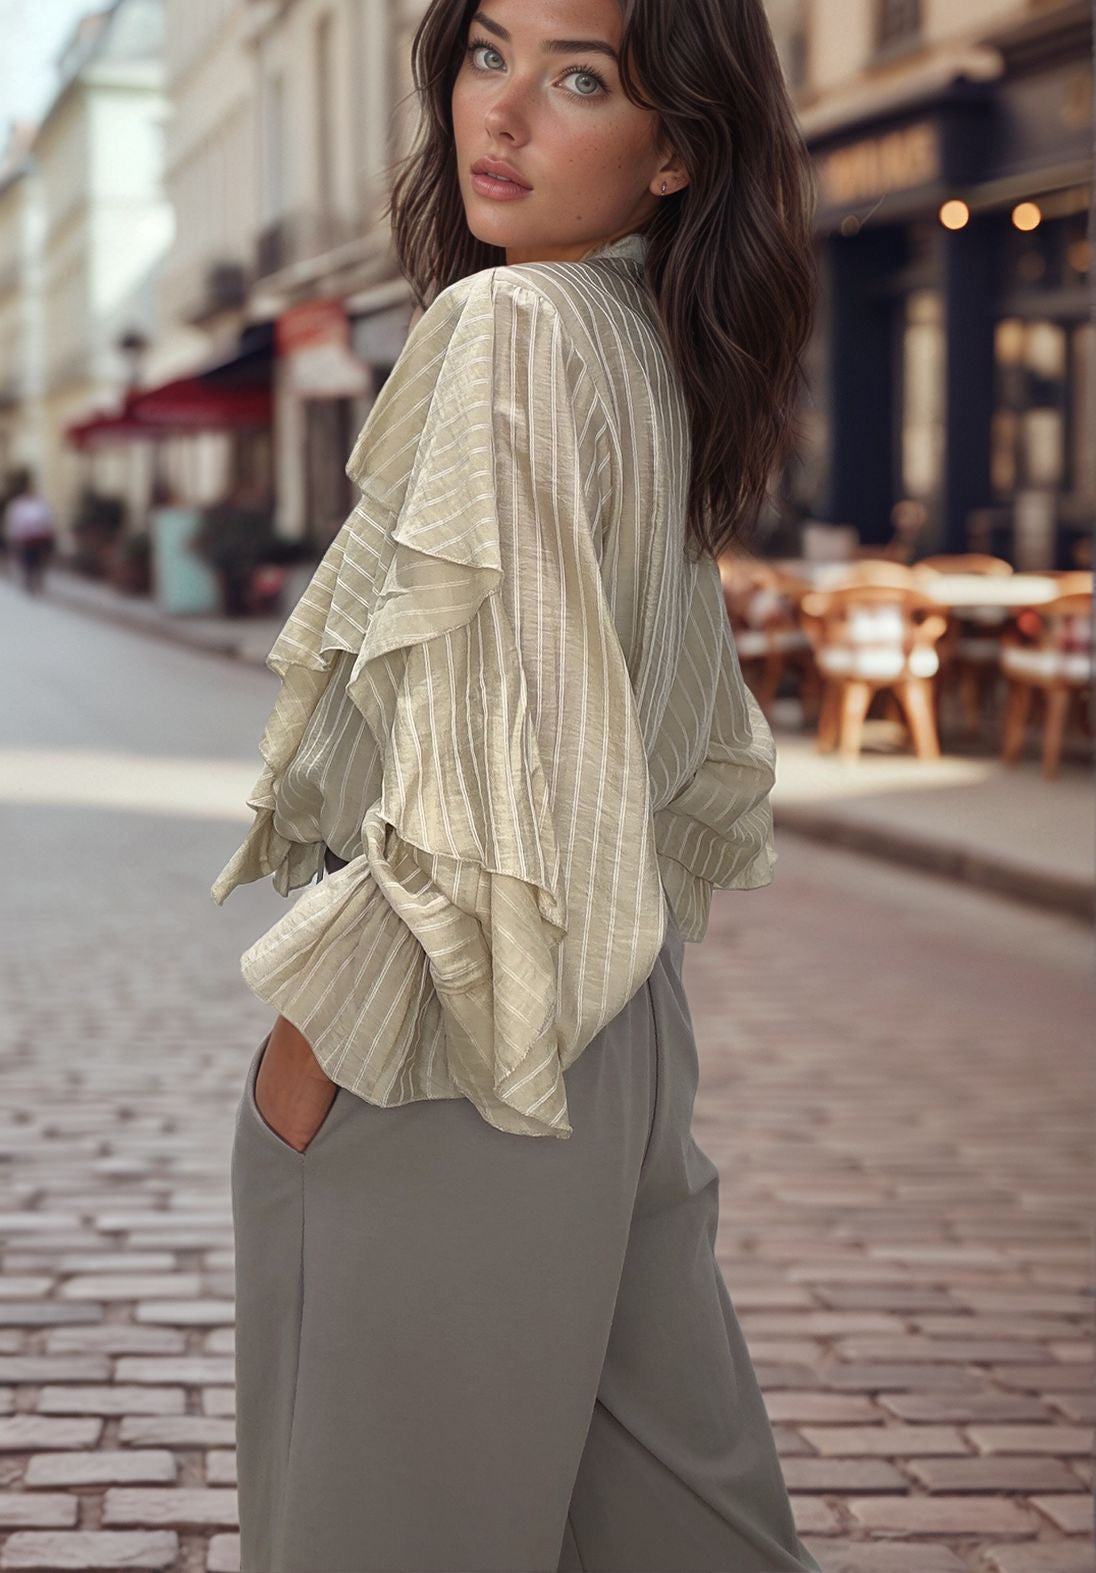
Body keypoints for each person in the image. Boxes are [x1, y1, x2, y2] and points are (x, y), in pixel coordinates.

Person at [212, 0, 820, 1568]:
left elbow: (505, 740)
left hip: (454, 1032)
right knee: (691, 1528)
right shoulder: (649, 347)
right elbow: (663, 734)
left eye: (580, 79)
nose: (503, 116)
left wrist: (314, 1040)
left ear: (676, 141)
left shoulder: (511, 327)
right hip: (621, 1023)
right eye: (486, 54)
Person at [3, 471, 57, 594]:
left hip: (39, 537)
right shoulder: (18, 504)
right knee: (28, 559)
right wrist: (14, 535)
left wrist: (48, 531)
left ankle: (37, 579)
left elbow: (47, 518)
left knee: (38, 559)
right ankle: (29, 579)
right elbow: (14, 520)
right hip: (26, 538)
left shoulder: (40, 503)